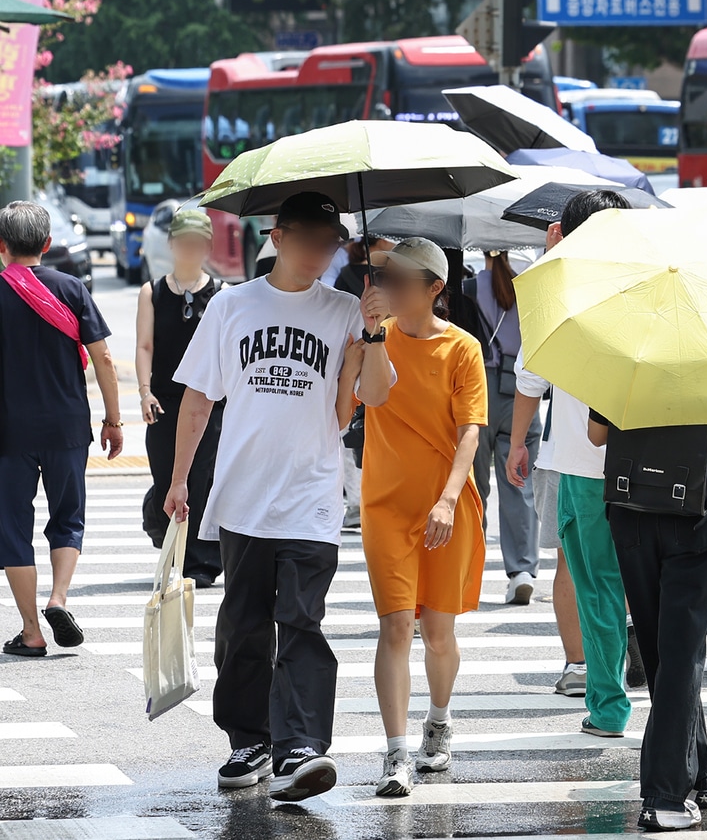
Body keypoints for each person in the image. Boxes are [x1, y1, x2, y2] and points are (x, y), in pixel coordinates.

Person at [164, 191, 365, 803]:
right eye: (311, 241)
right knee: (244, 628)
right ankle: (248, 739)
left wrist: (372, 339)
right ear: (277, 237)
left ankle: (299, 747)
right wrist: (177, 480)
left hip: (311, 495)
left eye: (331, 245)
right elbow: (198, 399)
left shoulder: (348, 311)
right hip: (244, 495)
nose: (321, 255)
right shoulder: (231, 306)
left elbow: (354, 405)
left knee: (301, 621)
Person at [355, 237, 488, 797]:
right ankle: (395, 753)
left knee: (437, 632)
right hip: (385, 504)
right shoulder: (373, 338)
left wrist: (447, 498)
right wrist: (370, 337)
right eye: (388, 278)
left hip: (445, 506)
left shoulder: (462, 349)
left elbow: (470, 431)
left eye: (407, 280)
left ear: (435, 289)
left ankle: (438, 719)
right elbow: (376, 397)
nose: (393, 288)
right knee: (394, 626)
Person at [587, 410, 707, 831]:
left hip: (632, 507)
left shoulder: (629, 347)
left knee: (665, 654)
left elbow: (596, 436)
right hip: (696, 514)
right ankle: (663, 796)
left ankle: (700, 773)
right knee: (681, 654)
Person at [506, 190, 635, 731]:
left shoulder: (553, 292)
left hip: (581, 462)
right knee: (628, 583)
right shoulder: (644, 287)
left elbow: (531, 380)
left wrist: (518, 442)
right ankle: (634, 687)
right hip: (646, 461)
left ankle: (608, 704)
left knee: (593, 581)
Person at [0, 200, 122, 658]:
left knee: (12, 526)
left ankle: (31, 631)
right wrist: (113, 420)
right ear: (47, 245)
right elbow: (105, 359)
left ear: (2, 246)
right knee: (67, 517)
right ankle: (59, 598)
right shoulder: (72, 288)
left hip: (9, 432)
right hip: (68, 426)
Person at [136, 209, 225, 588]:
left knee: (202, 477)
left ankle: (200, 562)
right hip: (165, 400)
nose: (189, 249)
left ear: (207, 246)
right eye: (183, 242)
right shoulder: (152, 291)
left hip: (208, 402)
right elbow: (143, 346)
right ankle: (166, 538)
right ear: (171, 244)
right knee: (166, 478)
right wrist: (144, 392)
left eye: (197, 243)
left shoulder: (222, 294)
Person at [471, 250, 542, 605]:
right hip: (522, 389)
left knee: (473, 485)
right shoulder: (533, 289)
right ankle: (522, 571)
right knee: (519, 483)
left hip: (478, 388)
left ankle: (468, 567)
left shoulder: (469, 288)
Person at [333, 234, 395, 530]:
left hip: (358, 358)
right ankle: (363, 500)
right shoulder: (381, 278)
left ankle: (359, 501)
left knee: (352, 439)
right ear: (375, 244)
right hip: (367, 358)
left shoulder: (347, 275)